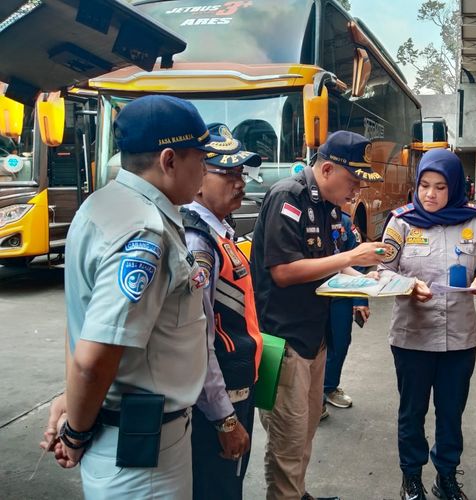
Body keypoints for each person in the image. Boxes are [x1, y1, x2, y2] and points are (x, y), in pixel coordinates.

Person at [40, 95, 236, 498]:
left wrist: (70, 399)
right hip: (142, 453)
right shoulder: (144, 231)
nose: (204, 171)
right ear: (168, 161)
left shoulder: (102, 204)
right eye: (200, 159)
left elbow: (79, 317)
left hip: (129, 436)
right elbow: (94, 359)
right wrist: (75, 431)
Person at [250, 130, 388, 500]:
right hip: (286, 340)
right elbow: (284, 270)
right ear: (327, 169)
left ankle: (296, 493)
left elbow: (325, 264)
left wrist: (366, 279)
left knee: (306, 429)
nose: (357, 191)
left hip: (315, 336)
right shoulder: (287, 197)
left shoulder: (326, 205)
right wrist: (351, 257)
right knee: (288, 439)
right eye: (353, 181)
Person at [378, 148, 476, 500]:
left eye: (440, 187)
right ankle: (411, 477)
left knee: (451, 412)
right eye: (425, 185)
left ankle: (446, 476)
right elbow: (382, 270)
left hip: (460, 338)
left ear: (456, 187)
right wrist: (408, 286)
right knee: (412, 411)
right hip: (412, 337)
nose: (430, 194)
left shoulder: (475, 221)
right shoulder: (400, 221)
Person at [182, 123, 265, 500]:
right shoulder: (198, 241)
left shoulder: (220, 230)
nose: (239, 182)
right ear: (198, 178)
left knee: (230, 481)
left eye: (240, 173)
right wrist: (224, 416)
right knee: (218, 485)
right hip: (220, 398)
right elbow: (198, 338)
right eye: (227, 173)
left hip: (238, 385)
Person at [322, 211, 370, 417]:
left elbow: (356, 262)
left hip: (340, 298)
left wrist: (360, 299)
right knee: (312, 349)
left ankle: (329, 387)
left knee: (340, 344)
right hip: (312, 300)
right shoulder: (302, 217)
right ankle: (314, 399)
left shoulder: (344, 222)